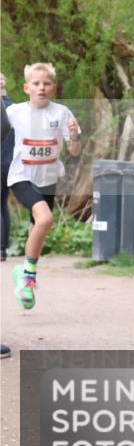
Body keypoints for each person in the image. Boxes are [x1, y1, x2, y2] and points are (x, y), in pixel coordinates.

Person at [6, 62, 83, 310]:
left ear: (54, 88)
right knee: (45, 219)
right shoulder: (14, 112)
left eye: (46, 84)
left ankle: (22, 273)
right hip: (21, 175)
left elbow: (74, 151)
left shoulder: (61, 113)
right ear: (26, 87)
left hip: (48, 178)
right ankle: (29, 276)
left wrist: (74, 136)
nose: (41, 88)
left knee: (36, 228)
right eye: (36, 84)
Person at [1, 73, 14, 262]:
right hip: (10, 162)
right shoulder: (15, 107)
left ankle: (1, 249)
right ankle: (3, 248)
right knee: (3, 204)